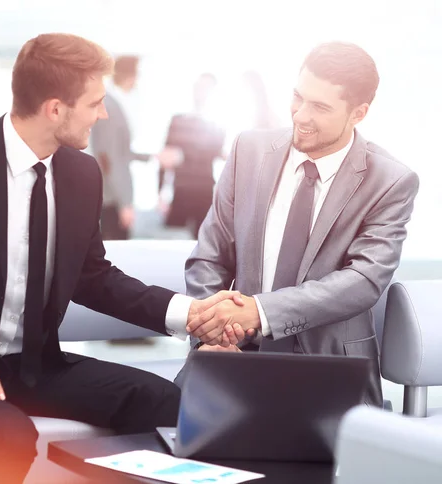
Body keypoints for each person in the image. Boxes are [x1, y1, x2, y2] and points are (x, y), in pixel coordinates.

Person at [0, 34, 239, 484]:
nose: (104, 113)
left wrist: (189, 314)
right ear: (55, 108)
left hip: (37, 367)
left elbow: (93, 277)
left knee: (165, 402)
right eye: (95, 102)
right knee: (7, 435)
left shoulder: (81, 172)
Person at [178, 41, 420, 408]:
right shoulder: (249, 150)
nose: (300, 115)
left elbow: (364, 280)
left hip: (328, 373)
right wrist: (211, 333)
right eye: (298, 97)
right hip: (230, 355)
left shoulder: (390, 181)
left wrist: (260, 312)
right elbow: (208, 257)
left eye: (320, 107)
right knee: (163, 444)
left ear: (359, 113)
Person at [158, 73, 226, 238]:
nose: (201, 92)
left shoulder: (217, 125)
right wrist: (160, 193)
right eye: (199, 87)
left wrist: (182, 156)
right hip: (179, 192)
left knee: (202, 243)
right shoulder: (178, 121)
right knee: (173, 243)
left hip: (203, 192)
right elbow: (165, 158)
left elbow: (213, 152)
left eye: (206, 88)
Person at [90, 55, 149, 240]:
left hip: (110, 196)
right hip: (112, 199)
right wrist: (124, 203)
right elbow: (109, 157)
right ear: (130, 75)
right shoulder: (109, 107)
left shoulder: (112, 104)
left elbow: (119, 153)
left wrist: (151, 157)